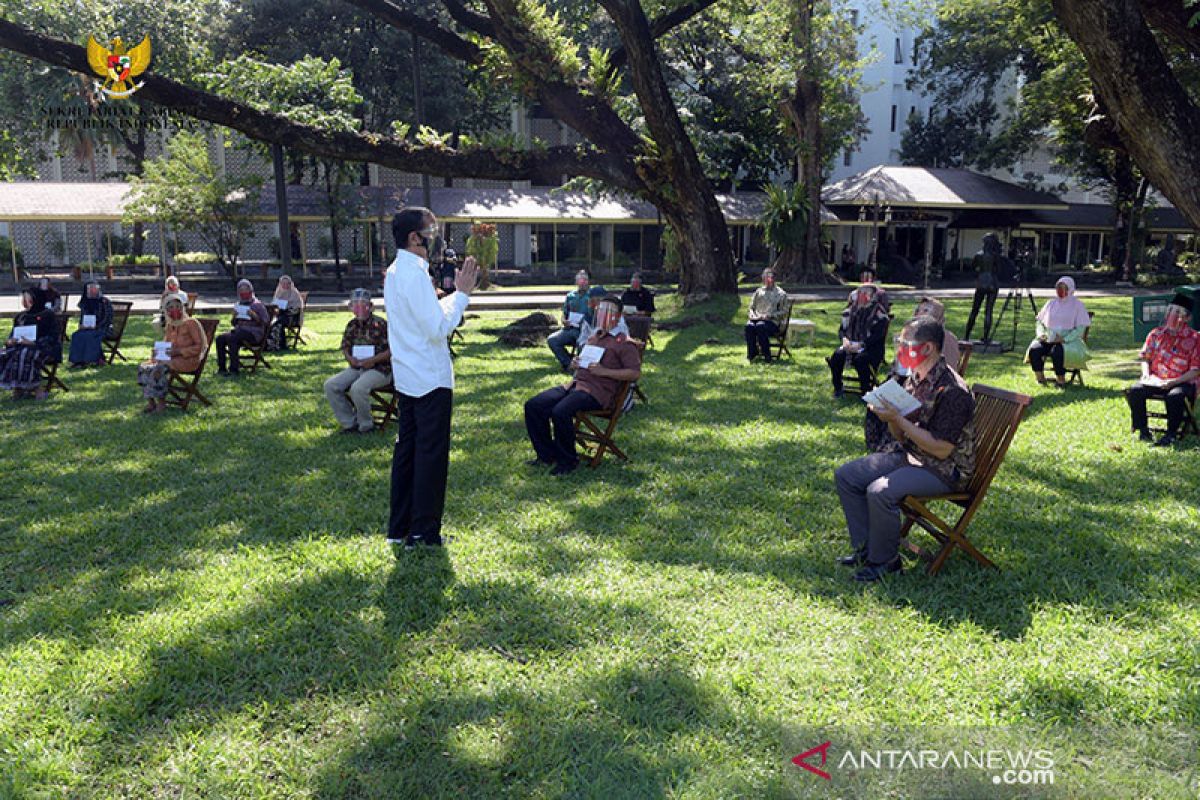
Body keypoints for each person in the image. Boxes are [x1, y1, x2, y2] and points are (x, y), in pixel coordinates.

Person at [834, 316, 976, 582]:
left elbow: (943, 450)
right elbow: (901, 435)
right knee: (847, 476)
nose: (899, 349)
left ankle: (885, 562)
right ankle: (867, 549)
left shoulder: (953, 389)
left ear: (928, 348)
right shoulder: (915, 377)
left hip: (944, 469)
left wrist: (897, 419)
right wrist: (890, 417)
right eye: (898, 342)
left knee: (880, 491)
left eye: (905, 343)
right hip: (913, 456)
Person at [384, 206, 478, 550]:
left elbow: (428, 315)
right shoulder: (412, 274)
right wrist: (464, 294)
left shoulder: (397, 271)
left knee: (407, 452)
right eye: (431, 231)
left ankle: (400, 529)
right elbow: (438, 327)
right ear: (414, 237)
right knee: (430, 456)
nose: (436, 238)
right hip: (430, 378)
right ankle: (423, 533)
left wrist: (452, 297)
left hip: (409, 376)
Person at [524, 295, 642, 476]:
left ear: (618, 317)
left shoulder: (624, 343)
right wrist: (575, 363)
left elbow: (634, 373)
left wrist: (605, 372)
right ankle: (546, 455)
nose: (602, 315)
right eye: (600, 310)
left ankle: (568, 462)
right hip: (575, 384)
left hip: (598, 393)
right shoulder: (595, 337)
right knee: (533, 406)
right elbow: (584, 361)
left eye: (608, 311)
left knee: (560, 411)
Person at [1126, 293, 1200, 447]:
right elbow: (1146, 358)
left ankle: (1171, 434)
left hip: (1182, 381)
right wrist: (1146, 375)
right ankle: (1143, 430)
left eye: (1178, 313)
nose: (1172, 315)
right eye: (1170, 311)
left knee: (1175, 396)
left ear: (1187, 318)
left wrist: (1174, 382)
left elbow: (1195, 370)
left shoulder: (1194, 339)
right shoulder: (1156, 334)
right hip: (1157, 379)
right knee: (1135, 390)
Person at [324, 288, 392, 434]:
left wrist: (372, 360)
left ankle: (366, 426)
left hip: (380, 369)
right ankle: (349, 423)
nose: (359, 308)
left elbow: (391, 351)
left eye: (363, 304)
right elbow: (345, 346)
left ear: (370, 306)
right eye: (355, 304)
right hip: (357, 367)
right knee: (331, 385)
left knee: (358, 388)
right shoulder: (351, 325)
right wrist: (350, 358)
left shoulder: (381, 324)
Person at [135, 296, 207, 414]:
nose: (174, 310)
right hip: (171, 358)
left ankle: (161, 403)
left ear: (182, 308)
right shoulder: (170, 324)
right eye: (170, 308)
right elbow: (166, 343)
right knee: (144, 367)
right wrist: (157, 351)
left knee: (158, 368)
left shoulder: (191, 323)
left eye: (178, 307)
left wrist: (178, 352)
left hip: (188, 360)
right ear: (166, 311)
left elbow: (199, 347)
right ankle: (151, 402)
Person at [1025, 276, 1091, 385]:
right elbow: (1040, 322)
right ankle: (1040, 378)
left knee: (1058, 352)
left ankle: (1061, 380)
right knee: (1034, 349)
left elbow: (1080, 329)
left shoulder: (1077, 305)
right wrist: (1041, 334)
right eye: (1058, 288)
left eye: (1064, 288)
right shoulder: (1051, 304)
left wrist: (1064, 339)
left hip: (1068, 341)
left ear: (1070, 289)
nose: (1060, 291)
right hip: (1049, 338)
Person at [828, 284, 890, 398]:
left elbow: (877, 336)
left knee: (860, 359)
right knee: (837, 356)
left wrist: (861, 344)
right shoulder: (850, 310)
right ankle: (838, 388)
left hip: (871, 348)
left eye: (866, 293)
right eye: (860, 292)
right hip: (851, 344)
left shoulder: (879, 313)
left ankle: (865, 390)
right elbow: (842, 330)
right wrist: (845, 340)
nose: (862, 296)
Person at [0, 288, 60, 399]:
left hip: (45, 348)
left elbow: (52, 337)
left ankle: (36, 388)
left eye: (27, 298)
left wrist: (34, 343)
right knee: (4, 353)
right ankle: (17, 387)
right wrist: (10, 341)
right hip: (20, 346)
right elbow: (13, 334)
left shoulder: (47, 314)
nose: (24, 301)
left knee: (24, 354)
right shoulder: (21, 316)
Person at [215, 279, 270, 377]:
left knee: (233, 338)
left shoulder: (258, 305)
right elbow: (233, 323)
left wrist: (254, 316)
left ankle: (234, 369)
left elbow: (265, 322)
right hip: (239, 331)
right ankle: (222, 368)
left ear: (250, 290)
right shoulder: (238, 304)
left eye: (246, 290)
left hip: (254, 333)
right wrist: (234, 317)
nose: (244, 293)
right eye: (241, 291)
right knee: (220, 339)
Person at [963, 232, 1011, 341]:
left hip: (981, 282)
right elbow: (999, 270)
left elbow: (973, 268)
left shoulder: (978, 255)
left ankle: (966, 335)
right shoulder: (995, 256)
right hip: (992, 283)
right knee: (988, 311)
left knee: (975, 310)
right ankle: (985, 337)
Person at [548, 270, 592, 370]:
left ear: (589, 282)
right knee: (552, 340)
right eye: (580, 279)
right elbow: (564, 312)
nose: (582, 282)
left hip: (585, 330)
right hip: (570, 328)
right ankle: (568, 364)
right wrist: (563, 320)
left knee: (583, 343)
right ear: (576, 282)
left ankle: (581, 367)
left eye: (585, 279)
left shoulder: (592, 296)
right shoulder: (571, 296)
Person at [744, 268, 789, 362]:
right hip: (756, 319)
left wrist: (770, 315)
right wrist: (752, 315)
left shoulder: (781, 294)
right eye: (765, 277)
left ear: (774, 279)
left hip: (772, 322)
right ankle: (752, 353)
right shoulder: (758, 292)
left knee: (761, 326)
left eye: (770, 277)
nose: (768, 280)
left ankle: (766, 354)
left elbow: (784, 312)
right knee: (749, 326)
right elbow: (751, 307)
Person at [67, 280, 114, 367]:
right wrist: (81, 325)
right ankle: (77, 361)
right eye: (89, 289)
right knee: (76, 335)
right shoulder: (85, 303)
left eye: (94, 289)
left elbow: (107, 318)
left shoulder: (104, 302)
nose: (92, 291)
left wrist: (96, 326)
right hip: (87, 328)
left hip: (103, 328)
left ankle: (91, 359)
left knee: (89, 336)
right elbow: (83, 317)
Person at [265, 274, 304, 352]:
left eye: (287, 284)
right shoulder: (278, 292)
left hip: (292, 317)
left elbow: (297, 308)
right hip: (280, 315)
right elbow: (274, 304)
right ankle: (269, 345)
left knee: (278, 323)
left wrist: (287, 308)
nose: (285, 285)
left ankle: (280, 344)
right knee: (269, 323)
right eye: (283, 284)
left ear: (290, 284)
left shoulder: (294, 293)